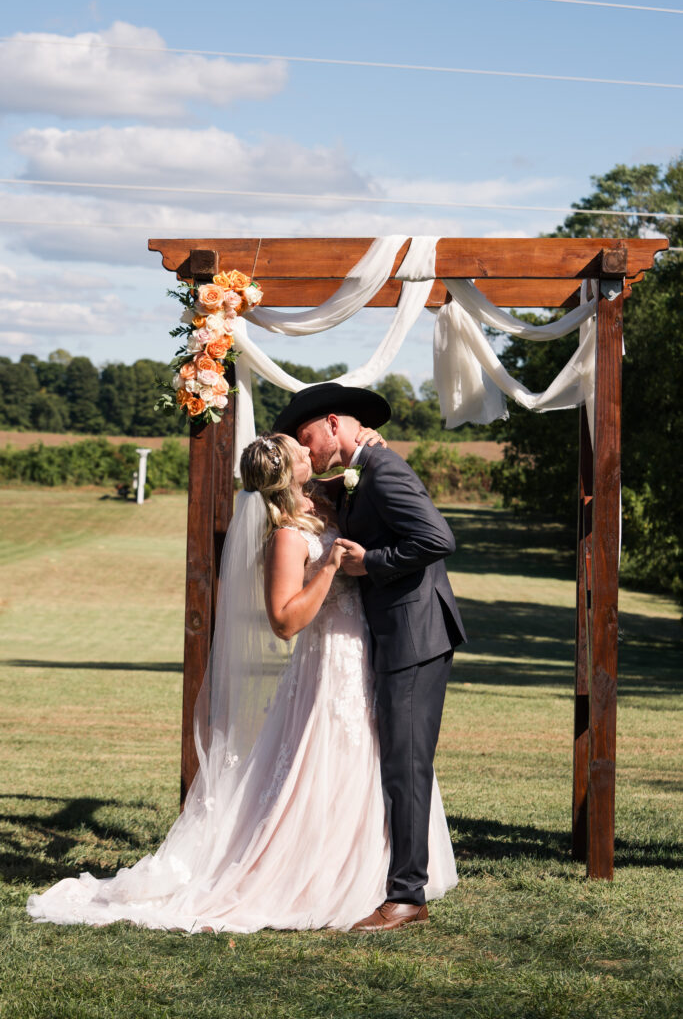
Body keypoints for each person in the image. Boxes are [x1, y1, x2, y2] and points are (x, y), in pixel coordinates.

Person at [27, 431, 457, 934]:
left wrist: (375, 451)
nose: (308, 450)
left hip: (363, 653)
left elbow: (363, 484)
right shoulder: (287, 537)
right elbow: (284, 621)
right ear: (286, 473)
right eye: (300, 451)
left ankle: (367, 870)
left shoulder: (323, 503)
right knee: (326, 762)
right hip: (327, 662)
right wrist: (330, 567)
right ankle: (316, 876)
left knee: (368, 761)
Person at [273, 383, 466, 932]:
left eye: (306, 436)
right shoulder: (363, 467)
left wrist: (370, 563)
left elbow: (437, 537)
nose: (305, 451)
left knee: (405, 763)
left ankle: (407, 896)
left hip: (415, 633)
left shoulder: (382, 469)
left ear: (333, 422)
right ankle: (394, 879)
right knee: (398, 760)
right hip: (397, 631)